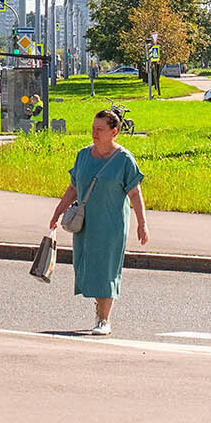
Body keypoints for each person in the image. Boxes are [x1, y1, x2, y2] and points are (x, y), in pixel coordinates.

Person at [49, 107, 150, 336]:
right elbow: (73, 188)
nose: (95, 133)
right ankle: (100, 305)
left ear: (114, 131)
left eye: (100, 129)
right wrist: (57, 212)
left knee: (106, 270)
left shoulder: (124, 159)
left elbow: (135, 193)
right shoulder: (83, 155)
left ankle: (104, 319)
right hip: (85, 225)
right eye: (93, 128)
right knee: (86, 268)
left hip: (111, 225)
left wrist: (142, 223)